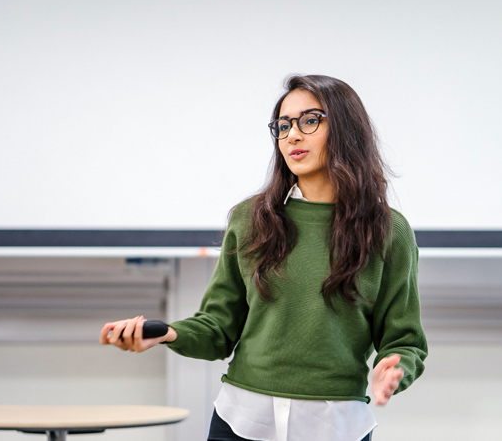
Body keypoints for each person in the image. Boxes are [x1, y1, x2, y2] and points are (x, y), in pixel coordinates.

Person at [100, 74, 427, 441]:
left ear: (347, 129)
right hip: (240, 420)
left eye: (310, 120)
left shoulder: (387, 230)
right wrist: (164, 334)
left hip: (335, 426)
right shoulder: (251, 219)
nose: (292, 135)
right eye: (283, 125)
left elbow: (405, 341)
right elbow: (219, 327)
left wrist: (393, 368)